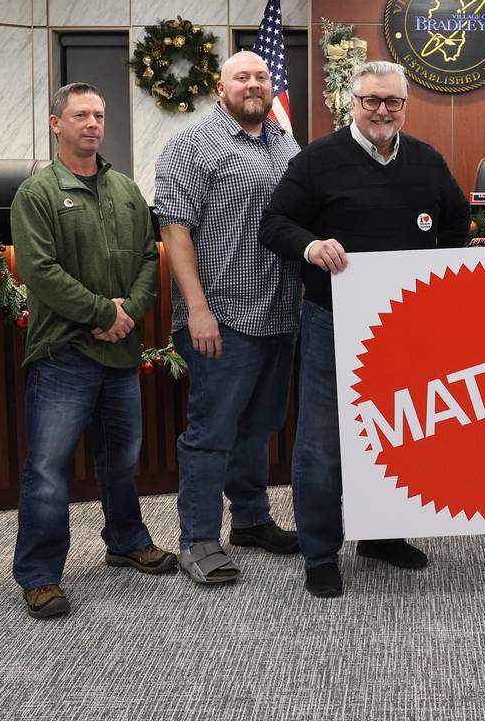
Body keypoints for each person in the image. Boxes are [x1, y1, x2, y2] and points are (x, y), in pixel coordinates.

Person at [259, 61, 469, 599]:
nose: (382, 111)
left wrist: (439, 277)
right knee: (322, 442)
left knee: (399, 434)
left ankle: (382, 534)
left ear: (405, 106)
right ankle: (321, 552)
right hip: (333, 319)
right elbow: (275, 223)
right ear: (352, 102)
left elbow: (457, 223)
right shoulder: (318, 159)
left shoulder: (426, 160)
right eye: (371, 100)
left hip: (409, 327)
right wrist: (311, 246)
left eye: (392, 102)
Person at [10, 82, 175, 619]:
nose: (92, 124)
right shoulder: (37, 193)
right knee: (49, 471)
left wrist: (130, 312)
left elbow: (150, 259)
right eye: (80, 115)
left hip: (120, 356)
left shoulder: (126, 189)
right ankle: (39, 576)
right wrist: (107, 314)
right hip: (65, 355)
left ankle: (126, 540)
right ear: (56, 123)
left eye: (99, 116)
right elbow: (40, 271)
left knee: (121, 460)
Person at [154, 50, 302, 585]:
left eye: (262, 77)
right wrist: (196, 309)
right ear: (221, 87)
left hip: (279, 312)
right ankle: (197, 540)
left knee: (260, 425)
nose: (254, 85)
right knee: (211, 431)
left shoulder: (286, 143)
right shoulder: (192, 146)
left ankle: (252, 520)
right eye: (242, 77)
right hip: (221, 314)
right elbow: (174, 230)